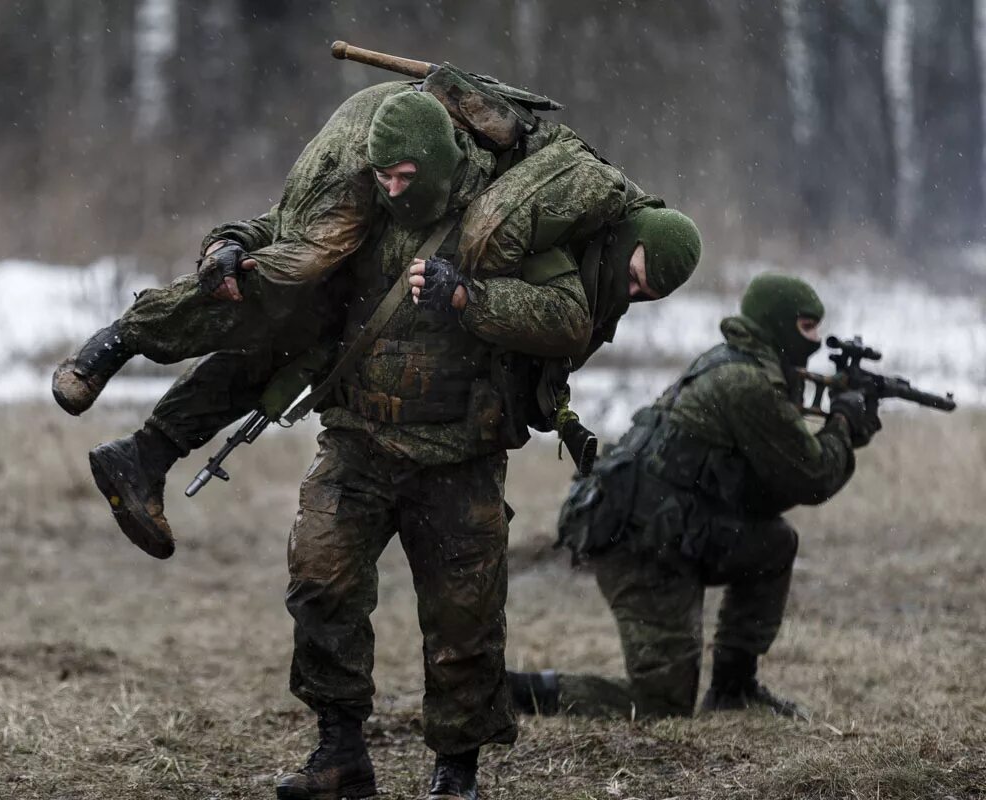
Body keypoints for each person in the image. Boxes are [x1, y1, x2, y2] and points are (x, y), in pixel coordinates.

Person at [51, 80, 702, 567]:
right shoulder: (528, 216)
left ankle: (143, 455)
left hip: (439, 418)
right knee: (288, 286)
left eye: (651, 292)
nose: (638, 289)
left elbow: (553, 338)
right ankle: (122, 352)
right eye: (641, 271)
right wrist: (228, 246)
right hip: (388, 404)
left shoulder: (580, 266)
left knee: (291, 337)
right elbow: (290, 229)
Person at [509, 273, 882, 722]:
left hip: (667, 530)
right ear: (777, 324)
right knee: (661, 706)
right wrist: (843, 423)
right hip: (638, 544)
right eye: (806, 328)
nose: (817, 341)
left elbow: (768, 489)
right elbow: (813, 477)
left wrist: (840, 425)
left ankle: (733, 688)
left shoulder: (738, 365)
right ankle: (515, 693)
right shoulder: (745, 382)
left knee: (773, 543)